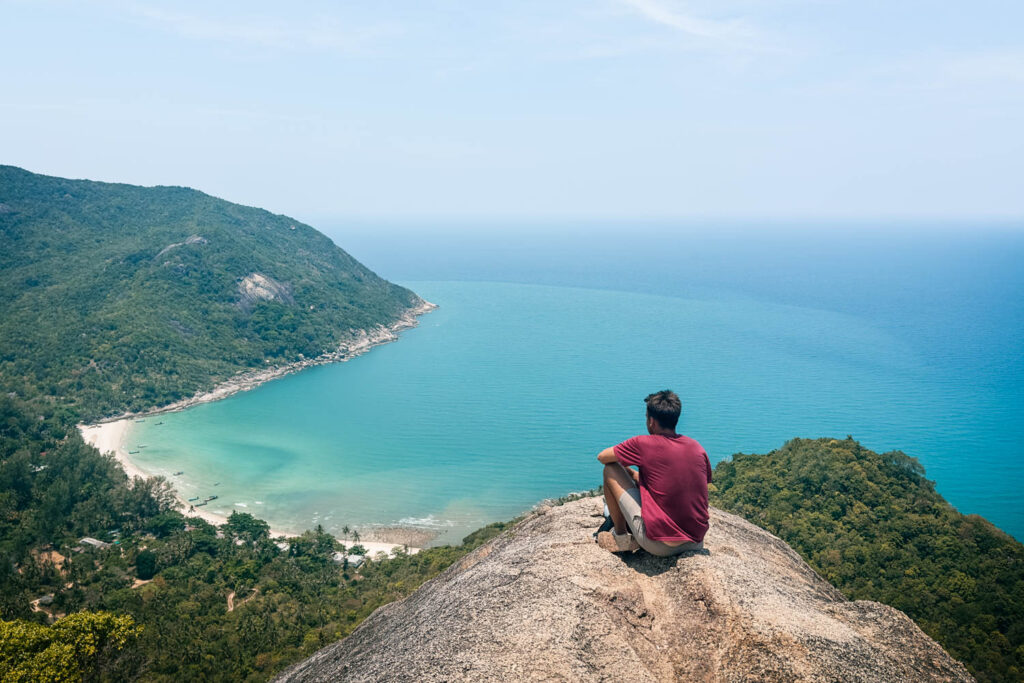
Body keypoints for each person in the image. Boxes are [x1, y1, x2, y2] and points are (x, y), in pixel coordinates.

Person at [596, 390, 711, 556]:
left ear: (651, 421)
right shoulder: (697, 448)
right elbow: (678, 485)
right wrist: (633, 474)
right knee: (630, 476)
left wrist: (623, 466)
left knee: (610, 469)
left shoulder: (643, 443)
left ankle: (620, 538)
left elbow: (603, 457)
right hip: (696, 542)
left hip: (660, 545)